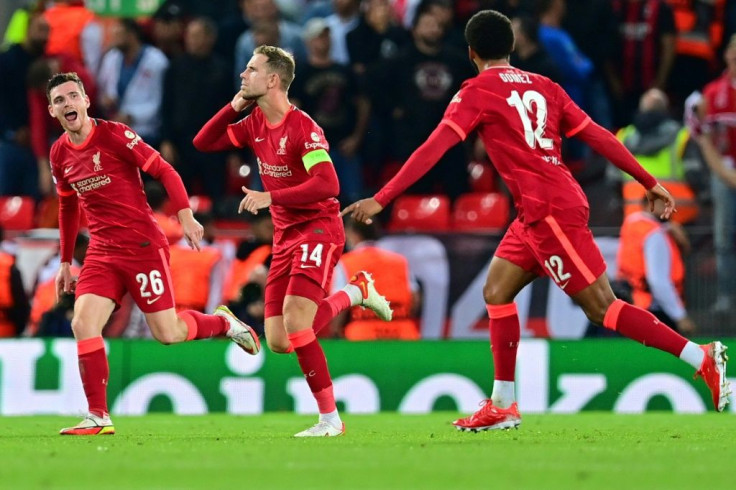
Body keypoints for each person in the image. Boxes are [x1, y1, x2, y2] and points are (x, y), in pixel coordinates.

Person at [342, 10, 731, 431]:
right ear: (511, 47)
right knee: (496, 290)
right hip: (537, 210)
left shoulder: (476, 90)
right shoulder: (545, 85)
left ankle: (701, 356)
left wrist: (382, 198)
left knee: (603, 308)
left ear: (471, 52)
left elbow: (433, 149)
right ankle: (503, 403)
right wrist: (648, 180)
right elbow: (598, 133)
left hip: (550, 212)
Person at [193, 45, 393, 437]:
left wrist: (272, 197)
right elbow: (203, 142)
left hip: (318, 227)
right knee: (280, 340)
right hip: (286, 235)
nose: (242, 75)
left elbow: (328, 184)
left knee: (298, 321)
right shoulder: (253, 122)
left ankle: (330, 420)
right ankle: (355, 293)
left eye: (250, 70)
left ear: (272, 79)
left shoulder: (303, 127)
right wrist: (234, 106)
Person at [46, 72, 260, 436]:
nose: (68, 104)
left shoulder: (114, 135)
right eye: (60, 100)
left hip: (142, 247)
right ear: (52, 111)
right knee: (82, 322)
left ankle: (224, 323)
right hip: (101, 251)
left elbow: (165, 170)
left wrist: (185, 214)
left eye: (73, 97)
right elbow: (68, 207)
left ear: (86, 101)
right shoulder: (59, 153)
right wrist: (66, 261)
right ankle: (98, 416)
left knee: (169, 332)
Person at [616, 88, 704, 225]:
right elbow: (696, 177)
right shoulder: (682, 136)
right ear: (666, 109)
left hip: (636, 215)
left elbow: (612, 181)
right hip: (679, 214)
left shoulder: (624, 137)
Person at [617, 198, 697, 336]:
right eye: (663, 204)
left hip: (633, 302)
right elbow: (658, 280)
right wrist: (680, 316)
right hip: (655, 308)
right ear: (649, 204)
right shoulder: (655, 233)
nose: (669, 209)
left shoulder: (631, 225)